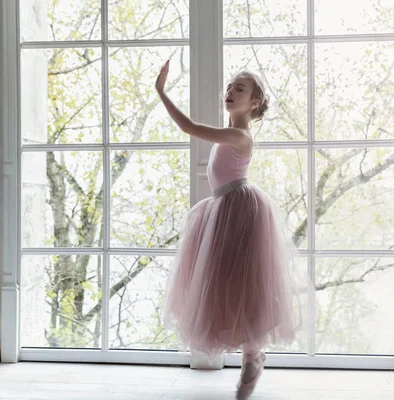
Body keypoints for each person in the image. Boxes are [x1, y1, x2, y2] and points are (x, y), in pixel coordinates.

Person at [156, 60, 301, 399]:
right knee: (224, 283)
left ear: (253, 103)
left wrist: (161, 92)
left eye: (240, 88)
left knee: (244, 283)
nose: (230, 92)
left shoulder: (238, 135)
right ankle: (251, 354)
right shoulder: (229, 135)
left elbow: (190, 127)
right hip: (220, 208)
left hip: (239, 210)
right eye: (229, 87)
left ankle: (253, 355)